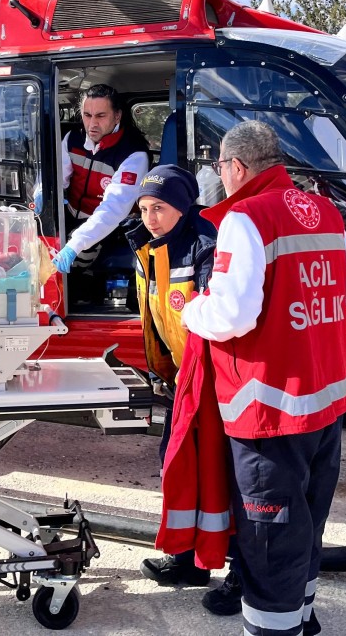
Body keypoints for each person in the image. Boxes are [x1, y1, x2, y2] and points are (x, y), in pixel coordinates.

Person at [181, 120, 346, 636]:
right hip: (324, 404)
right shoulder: (323, 210)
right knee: (307, 524)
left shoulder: (246, 217)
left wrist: (191, 311)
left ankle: (271, 629)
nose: (219, 175)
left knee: (269, 538)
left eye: (220, 166)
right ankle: (303, 618)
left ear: (237, 167)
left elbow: (233, 316)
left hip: (269, 410)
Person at [125, 165, 218, 588]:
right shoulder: (148, 247)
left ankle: (226, 565)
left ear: (182, 206)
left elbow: (214, 317)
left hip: (213, 380)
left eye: (159, 208)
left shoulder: (205, 245)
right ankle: (186, 559)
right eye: (144, 208)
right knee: (176, 466)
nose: (150, 218)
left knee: (215, 475)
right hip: (183, 378)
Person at [51, 84, 150, 295]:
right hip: (71, 214)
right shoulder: (72, 140)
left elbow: (113, 208)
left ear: (117, 117)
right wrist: (45, 194)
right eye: (87, 115)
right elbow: (56, 180)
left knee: (77, 266)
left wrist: (75, 244)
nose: (92, 124)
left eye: (100, 116)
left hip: (111, 227)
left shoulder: (133, 154)